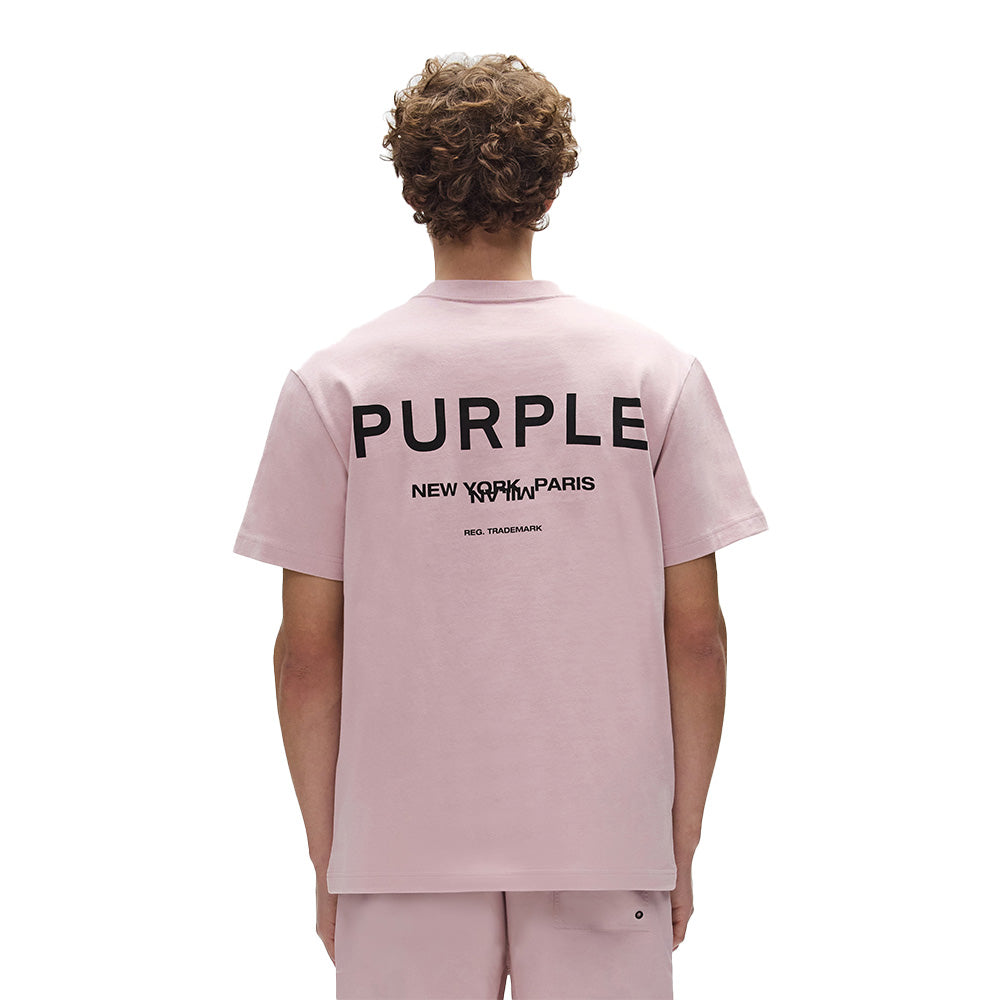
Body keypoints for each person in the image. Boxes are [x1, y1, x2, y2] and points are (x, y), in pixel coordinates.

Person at [233, 52, 768, 1000]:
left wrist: (330, 853)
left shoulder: (336, 386)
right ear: (551, 187)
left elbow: (306, 655)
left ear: (414, 189)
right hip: (606, 838)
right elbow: (699, 636)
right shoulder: (651, 374)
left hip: (398, 844)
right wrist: (678, 836)